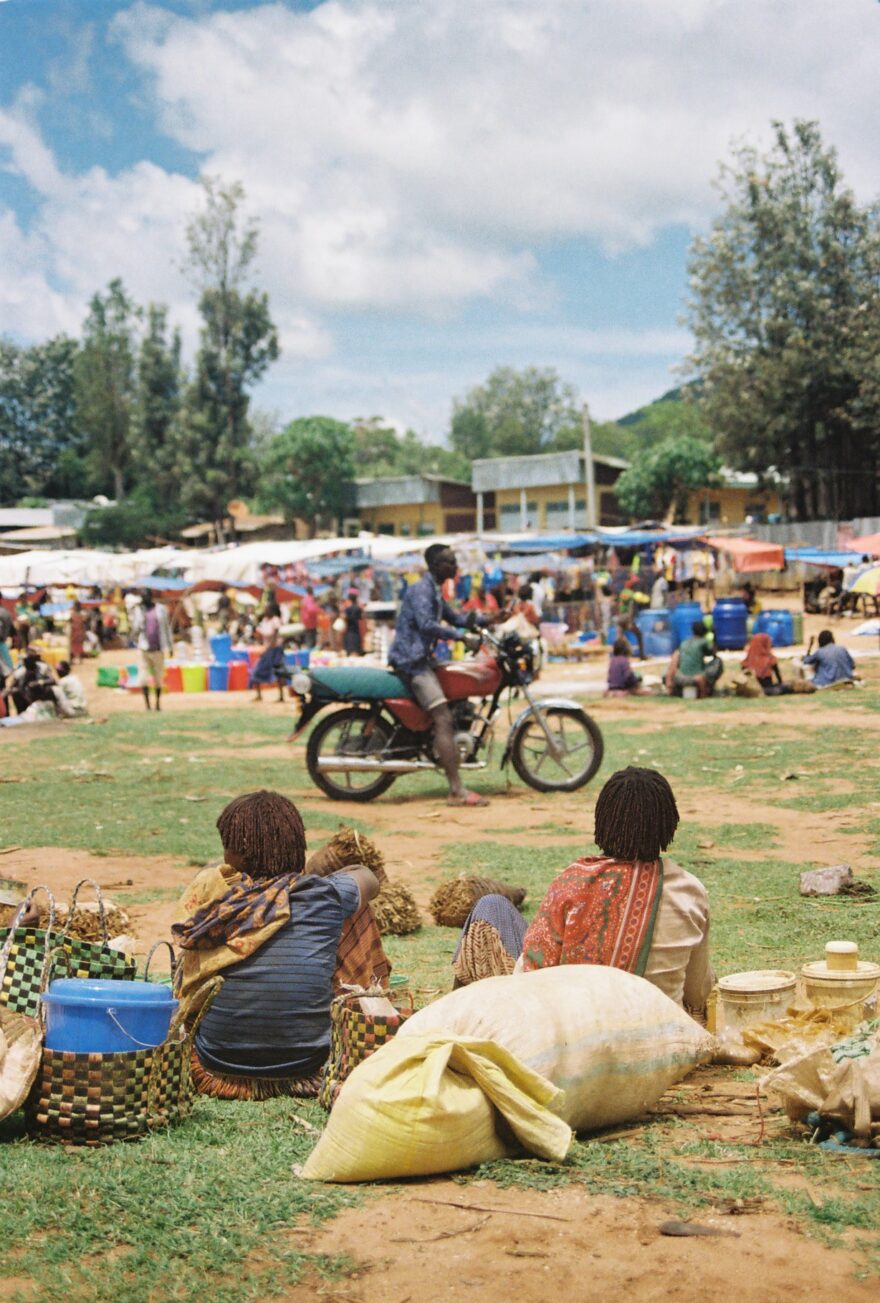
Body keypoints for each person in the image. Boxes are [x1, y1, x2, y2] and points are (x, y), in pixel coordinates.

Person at [172, 790, 383, 1100]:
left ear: (236, 855)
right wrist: (307, 881)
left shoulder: (217, 895)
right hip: (309, 1066)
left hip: (215, 1065)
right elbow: (369, 877)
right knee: (358, 910)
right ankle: (363, 1019)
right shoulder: (324, 895)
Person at [453, 767, 713, 1017]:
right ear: (669, 826)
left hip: (572, 1029)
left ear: (602, 823)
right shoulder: (690, 890)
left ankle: (457, 1023)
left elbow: (529, 978)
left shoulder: (575, 882)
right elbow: (698, 994)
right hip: (665, 1031)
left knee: (491, 906)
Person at [389, 543, 503, 807]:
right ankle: (455, 790)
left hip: (424, 660)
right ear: (436, 566)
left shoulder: (434, 590)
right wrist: (464, 639)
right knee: (443, 718)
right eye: (450, 562)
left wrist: (489, 619)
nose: (455, 566)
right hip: (412, 662)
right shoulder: (420, 590)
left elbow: (455, 617)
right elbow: (427, 625)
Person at [131, 592, 173, 711]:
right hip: (144, 649)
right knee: (143, 678)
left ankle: (157, 704)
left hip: (158, 649)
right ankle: (147, 705)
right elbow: (136, 628)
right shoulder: (140, 611)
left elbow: (166, 628)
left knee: (158, 678)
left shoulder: (161, 610)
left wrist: (170, 646)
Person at [668, 620, 723, 697]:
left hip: (680, 677)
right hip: (696, 678)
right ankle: (707, 689)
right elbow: (713, 654)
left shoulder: (684, 643)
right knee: (717, 661)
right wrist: (714, 638)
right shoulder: (703, 642)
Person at [250, 602, 286, 702]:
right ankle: (259, 695)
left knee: (279, 673)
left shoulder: (275, 620)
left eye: (267, 608)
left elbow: (275, 637)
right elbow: (262, 635)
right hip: (267, 649)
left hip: (275, 650)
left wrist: (267, 649)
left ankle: (281, 696)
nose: (265, 610)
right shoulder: (265, 621)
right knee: (257, 671)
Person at [343, 589, 364, 656]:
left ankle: (350, 652)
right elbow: (361, 618)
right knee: (356, 642)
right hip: (356, 629)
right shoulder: (358, 608)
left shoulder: (347, 609)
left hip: (349, 629)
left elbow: (344, 618)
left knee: (349, 643)